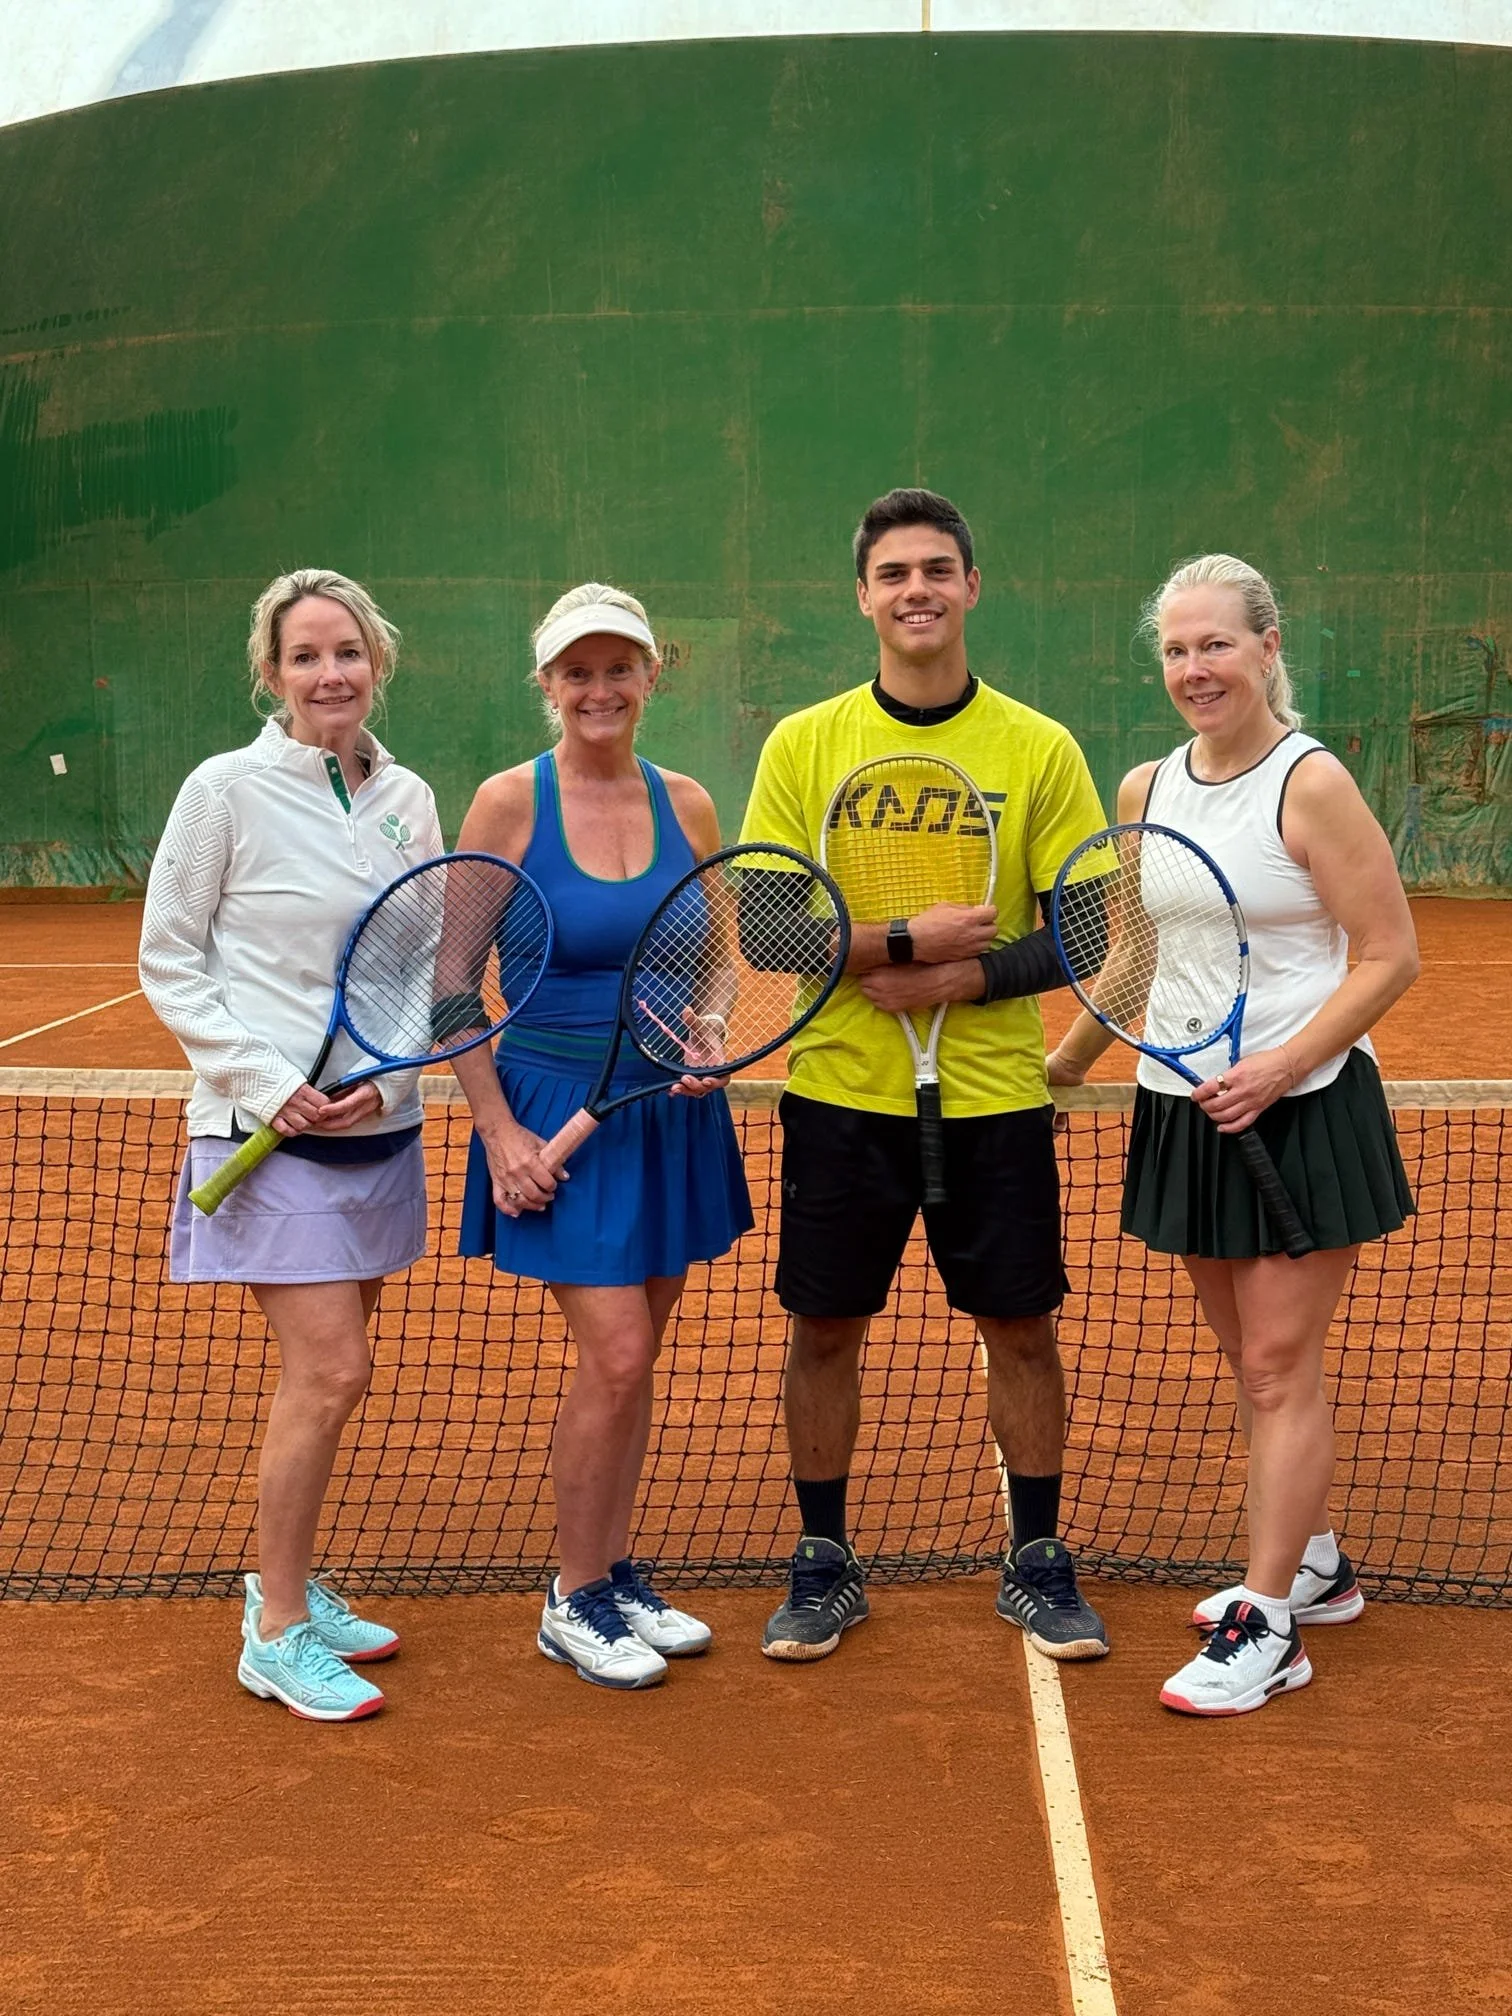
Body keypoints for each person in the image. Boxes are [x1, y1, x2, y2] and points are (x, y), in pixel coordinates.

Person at [738, 488, 1111, 1665]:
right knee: (826, 1331)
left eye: (938, 569)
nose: (917, 590)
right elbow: (765, 926)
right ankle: (824, 1560)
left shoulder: (1038, 747)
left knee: (1023, 1328)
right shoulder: (805, 744)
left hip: (996, 1099)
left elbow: (1089, 936)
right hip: (842, 1097)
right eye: (894, 572)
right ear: (863, 595)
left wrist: (965, 982)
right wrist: (896, 947)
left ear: (970, 588)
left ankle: (1039, 1557)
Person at [1049, 553, 1418, 1716]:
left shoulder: (1311, 785)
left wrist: (1283, 1064)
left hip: (1299, 1109)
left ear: (1267, 647)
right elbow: (1138, 954)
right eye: (1175, 649)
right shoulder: (1144, 788)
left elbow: (1391, 955)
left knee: (1275, 1363)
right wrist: (1060, 1065)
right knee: (1250, 1363)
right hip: (1183, 1107)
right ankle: (1313, 1560)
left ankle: (1271, 1627)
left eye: (1215, 644)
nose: (1194, 667)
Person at [139, 568, 443, 1722]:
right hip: (267, 1133)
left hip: (377, 1127)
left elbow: (419, 964)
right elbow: (170, 957)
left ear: (379, 662)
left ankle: (292, 1581)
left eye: (348, 652)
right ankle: (274, 1629)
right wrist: (270, 1086)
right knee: (333, 1370)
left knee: (335, 1369)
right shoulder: (223, 789)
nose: (331, 674)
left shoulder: (408, 796)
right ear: (271, 673)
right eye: (306, 655)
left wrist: (388, 1075)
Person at [451, 583, 753, 1690]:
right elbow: (449, 989)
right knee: (617, 1353)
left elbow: (720, 954)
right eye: (577, 671)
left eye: (618, 667)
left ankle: (614, 1569)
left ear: (650, 676)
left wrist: (713, 1022)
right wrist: (498, 1134)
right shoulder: (505, 806)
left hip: (667, 1109)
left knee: (638, 1361)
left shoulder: (691, 803)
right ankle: (573, 1596)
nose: (599, 688)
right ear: (547, 685)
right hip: (548, 1111)